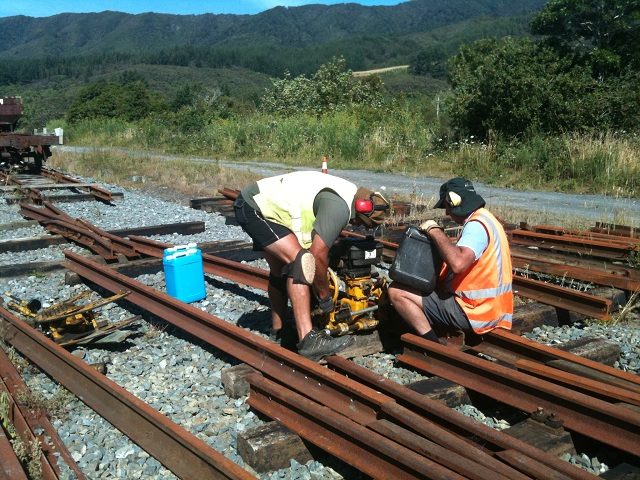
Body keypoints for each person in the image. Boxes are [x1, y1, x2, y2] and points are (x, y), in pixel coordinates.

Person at [234, 170, 390, 360]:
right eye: (362, 224)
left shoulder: (348, 192)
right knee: (301, 262)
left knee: (279, 270)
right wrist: (324, 297)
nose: (357, 226)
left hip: (259, 204)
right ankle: (309, 341)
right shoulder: (340, 208)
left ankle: (279, 330)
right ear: (361, 216)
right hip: (254, 207)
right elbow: (317, 255)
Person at [388, 177, 512, 343]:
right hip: (493, 308)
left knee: (397, 291)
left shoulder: (476, 226)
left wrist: (434, 230)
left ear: (454, 202)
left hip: (475, 311)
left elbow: (458, 263)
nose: (447, 213)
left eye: (446, 207)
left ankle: (432, 345)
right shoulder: (487, 219)